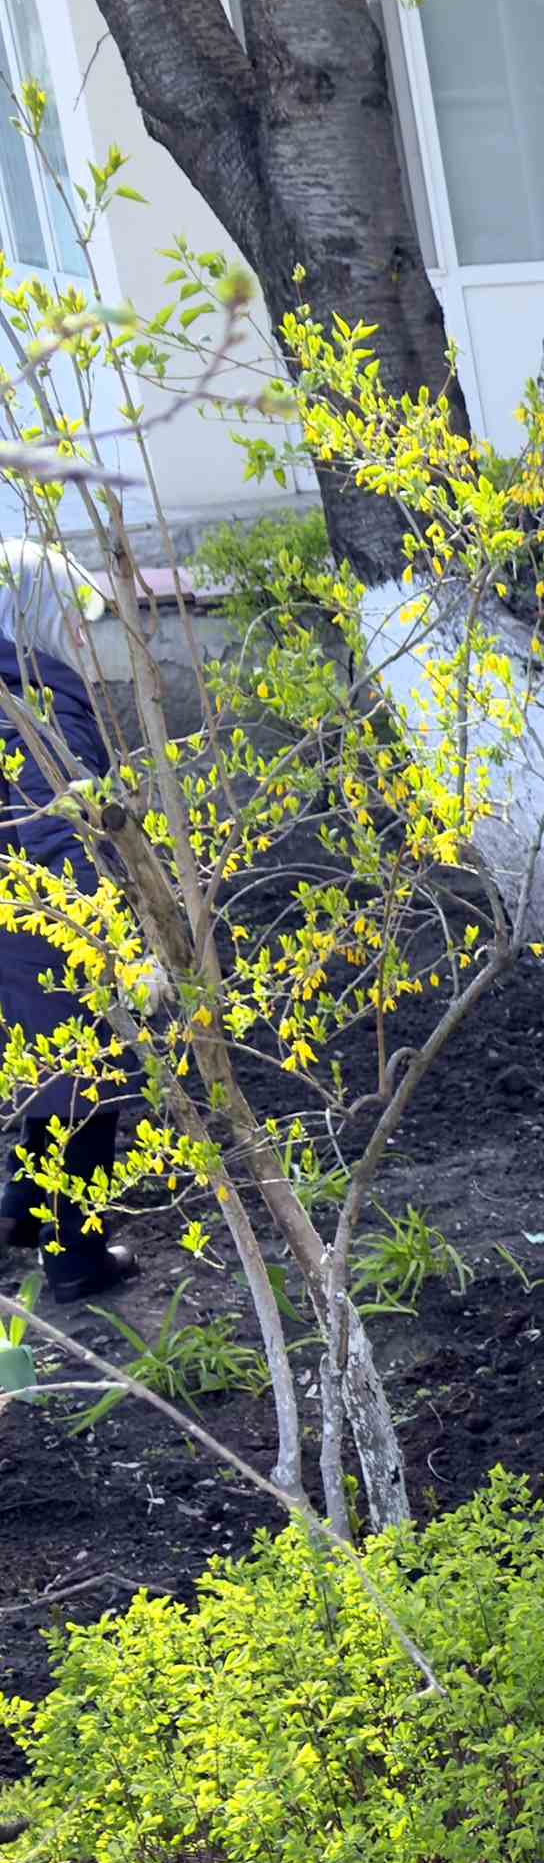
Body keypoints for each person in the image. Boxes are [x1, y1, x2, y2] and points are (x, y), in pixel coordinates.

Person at [0, 541, 133, 1306]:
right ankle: (76, 1260)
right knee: (88, 1074)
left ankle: (21, 1209)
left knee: (48, 1066)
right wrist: (102, 929)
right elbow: (60, 822)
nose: (82, 635)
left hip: (12, 923)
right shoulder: (35, 699)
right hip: (43, 916)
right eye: (70, 615)